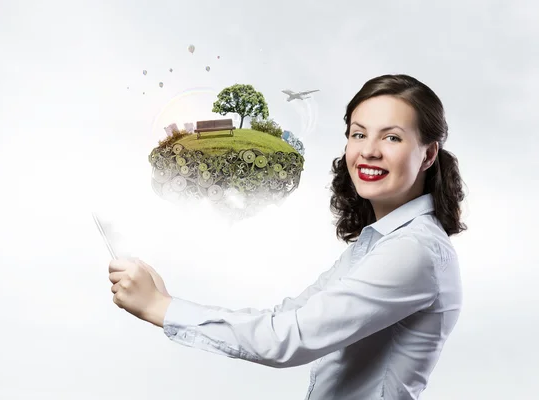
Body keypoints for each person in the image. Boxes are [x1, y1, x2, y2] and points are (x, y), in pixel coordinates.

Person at [108, 74, 467, 400]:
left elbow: (288, 338)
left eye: (391, 137)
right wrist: (167, 300)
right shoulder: (382, 241)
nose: (369, 150)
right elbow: (290, 314)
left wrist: (161, 308)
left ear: (428, 154)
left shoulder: (413, 251)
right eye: (359, 134)